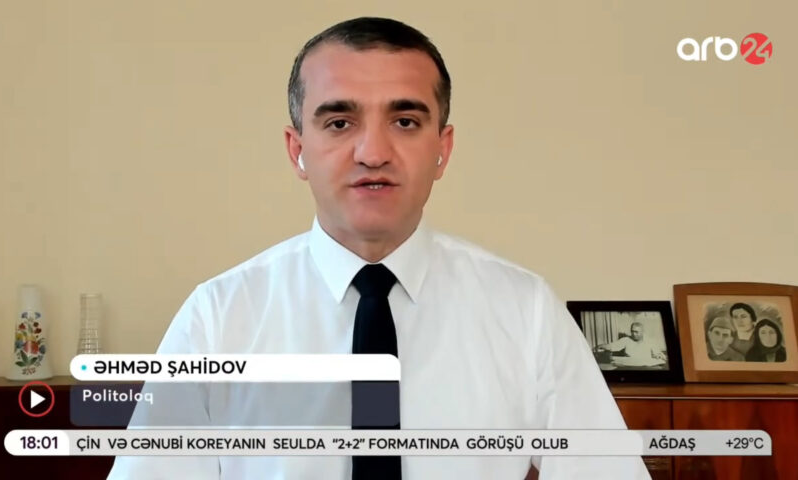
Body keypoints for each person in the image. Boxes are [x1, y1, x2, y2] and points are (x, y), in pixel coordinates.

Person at [109, 17, 649, 479]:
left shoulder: (525, 311)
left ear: (442, 149)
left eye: (405, 121)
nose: (373, 152)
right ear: (298, 151)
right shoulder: (217, 317)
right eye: (340, 122)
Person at [595, 322, 666, 367]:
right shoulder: (626, 340)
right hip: (629, 365)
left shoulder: (650, 341)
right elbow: (612, 346)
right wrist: (601, 346)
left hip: (645, 367)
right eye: (632, 331)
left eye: (636, 332)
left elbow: (658, 354)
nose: (633, 334)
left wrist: (658, 356)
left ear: (642, 332)